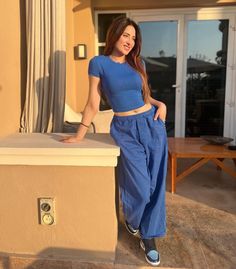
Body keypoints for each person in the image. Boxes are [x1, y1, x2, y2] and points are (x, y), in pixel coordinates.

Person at [62, 16, 168, 267]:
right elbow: (92, 103)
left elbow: (144, 95)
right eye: (125, 35)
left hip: (152, 124)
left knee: (156, 183)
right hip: (125, 129)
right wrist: (80, 134)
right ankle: (133, 219)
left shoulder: (138, 62)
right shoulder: (99, 63)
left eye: (133, 38)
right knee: (141, 187)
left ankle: (149, 237)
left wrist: (159, 103)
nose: (129, 41)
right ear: (115, 35)